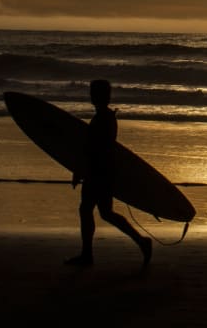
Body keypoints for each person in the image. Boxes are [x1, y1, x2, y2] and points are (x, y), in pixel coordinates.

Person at [65, 79, 152, 266]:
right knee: (105, 213)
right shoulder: (107, 117)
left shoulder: (103, 119)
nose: (91, 96)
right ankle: (141, 242)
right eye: (91, 92)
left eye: (94, 93)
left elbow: (95, 149)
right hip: (105, 171)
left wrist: (80, 170)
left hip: (98, 172)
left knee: (87, 209)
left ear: (101, 96)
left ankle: (87, 255)